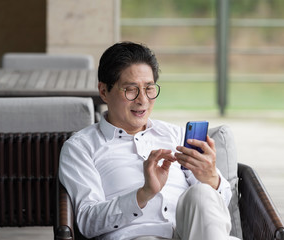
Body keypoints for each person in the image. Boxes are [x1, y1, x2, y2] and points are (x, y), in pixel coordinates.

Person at [59, 41, 237, 240]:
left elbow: (218, 212)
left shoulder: (175, 135)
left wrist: (211, 177)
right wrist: (143, 194)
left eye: (149, 89)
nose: (143, 100)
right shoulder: (80, 148)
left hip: (194, 233)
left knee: (202, 193)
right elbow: (87, 221)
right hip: (138, 236)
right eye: (131, 89)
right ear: (103, 92)